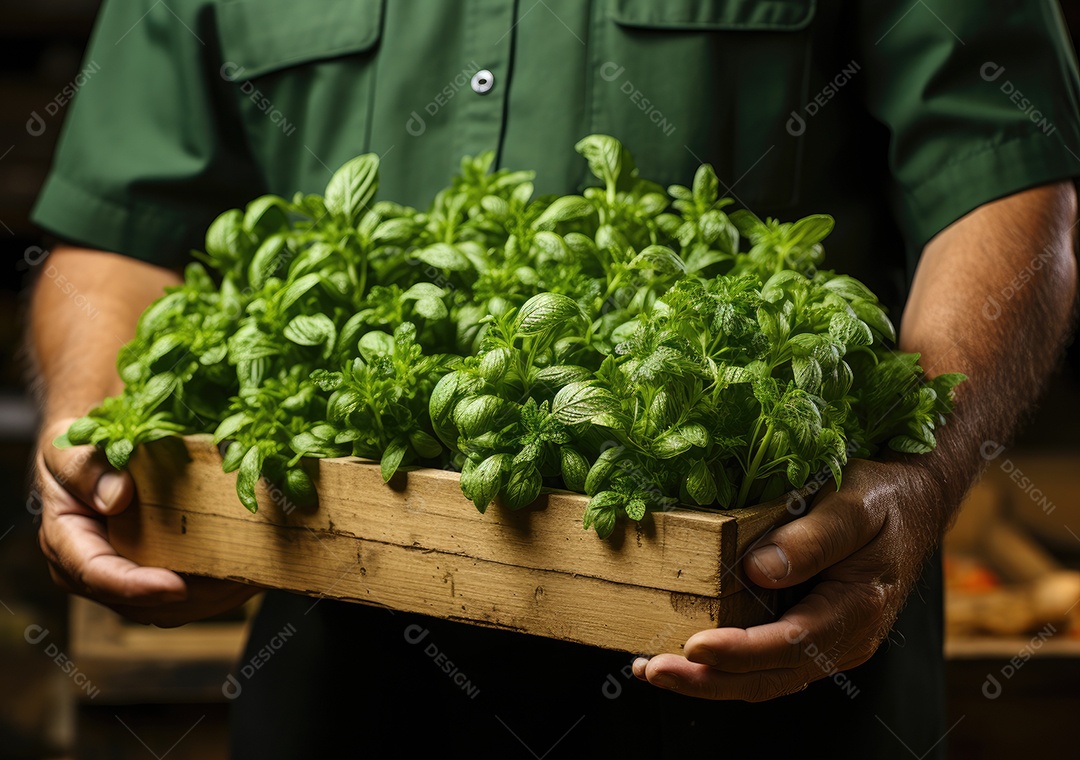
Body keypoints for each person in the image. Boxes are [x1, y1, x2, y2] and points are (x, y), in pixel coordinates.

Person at [27, 1, 1080, 757]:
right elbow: (119, 230)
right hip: (341, 690)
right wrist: (94, 422)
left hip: (770, 686)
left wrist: (918, 476)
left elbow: (1006, 176)